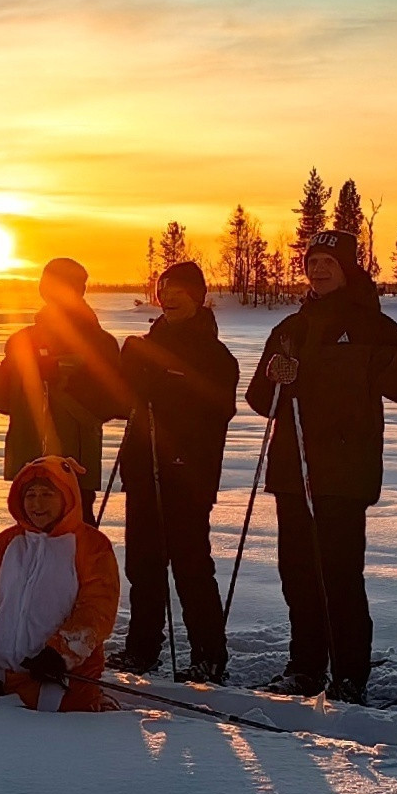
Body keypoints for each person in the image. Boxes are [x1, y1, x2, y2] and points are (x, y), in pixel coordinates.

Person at [244, 227, 397, 702]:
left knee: (340, 576)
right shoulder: (290, 327)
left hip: (344, 472)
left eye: (329, 261)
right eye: (312, 262)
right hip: (293, 470)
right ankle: (305, 667)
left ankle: (349, 675)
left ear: (349, 268)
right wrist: (276, 378)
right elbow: (258, 398)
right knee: (297, 573)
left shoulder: (374, 326)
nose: (319, 269)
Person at [115, 260, 239, 680]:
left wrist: (168, 389)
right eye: (162, 290)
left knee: (191, 566)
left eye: (178, 291)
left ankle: (208, 655)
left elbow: (219, 410)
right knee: (143, 565)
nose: (168, 297)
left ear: (198, 297)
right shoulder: (145, 345)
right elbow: (119, 399)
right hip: (142, 469)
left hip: (188, 473)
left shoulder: (215, 355)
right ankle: (142, 648)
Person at [0, 457, 119, 711]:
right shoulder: (7, 543)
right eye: (31, 495)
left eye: (47, 494)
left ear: (67, 496)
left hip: (59, 678)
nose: (37, 504)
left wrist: (60, 654)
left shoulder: (92, 545)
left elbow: (97, 609)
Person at [0, 256, 131, 518]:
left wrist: (64, 379)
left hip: (74, 465)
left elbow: (116, 401)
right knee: (30, 545)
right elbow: (5, 401)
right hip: (29, 460)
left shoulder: (99, 342)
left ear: (78, 290)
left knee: (75, 540)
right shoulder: (22, 341)